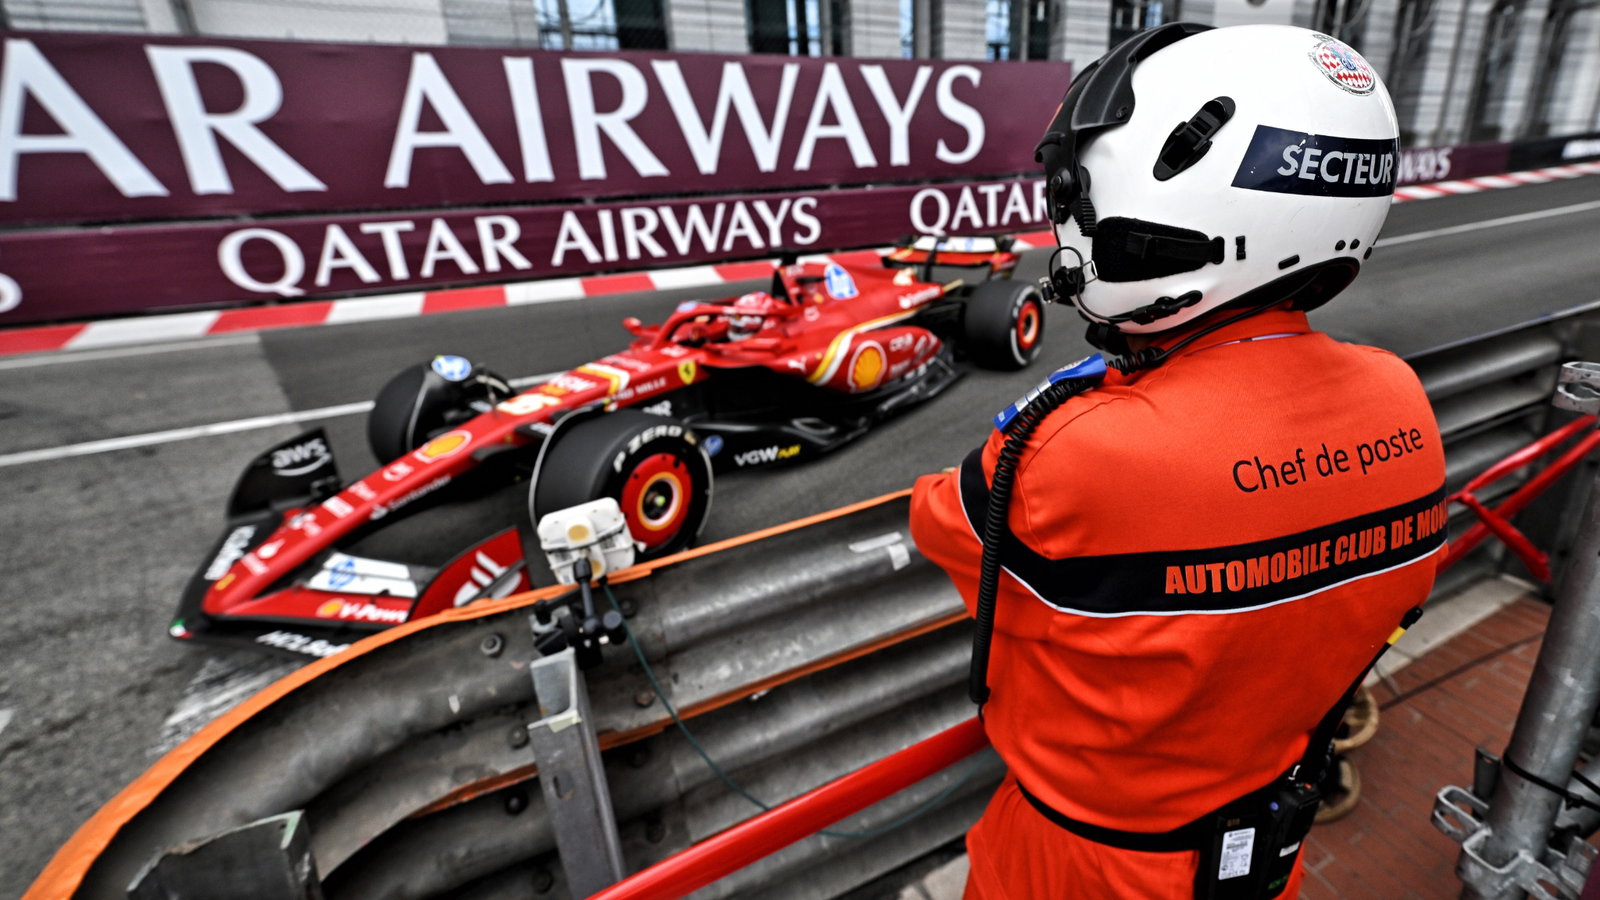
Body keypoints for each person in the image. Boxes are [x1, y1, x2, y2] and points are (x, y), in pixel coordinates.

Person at [909, 23, 1446, 900]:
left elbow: (940, 520)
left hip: (1076, 865)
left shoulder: (1076, 446)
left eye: (1080, 193)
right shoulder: (1401, 398)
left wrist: (1072, 406)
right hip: (1261, 852)